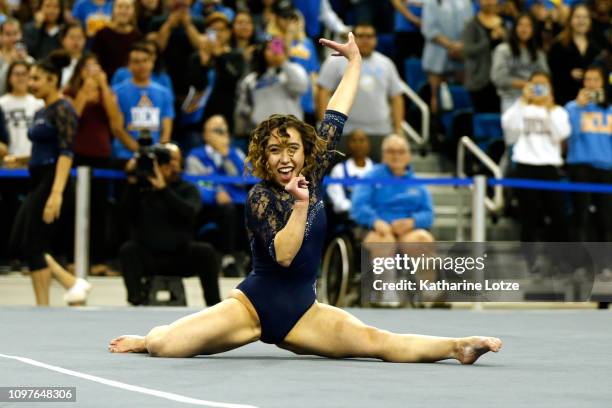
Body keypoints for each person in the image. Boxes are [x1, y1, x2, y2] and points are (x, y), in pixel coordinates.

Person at [109, 33, 502, 365]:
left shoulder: (311, 172)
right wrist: (300, 204)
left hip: (304, 313)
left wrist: (354, 64)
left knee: (377, 340)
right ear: (264, 157)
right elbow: (282, 255)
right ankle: (148, 337)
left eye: (293, 149)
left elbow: (336, 112)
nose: (286, 158)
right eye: (276, 151)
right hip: (251, 308)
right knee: (164, 346)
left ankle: (458, 346)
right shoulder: (260, 197)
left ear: (305, 152)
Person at [8, 51, 91, 306]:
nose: (31, 83)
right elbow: (45, 147)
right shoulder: (42, 110)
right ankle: (59, 291)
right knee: (20, 242)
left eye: (36, 79)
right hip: (38, 179)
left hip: (53, 179)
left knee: (33, 243)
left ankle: (62, 289)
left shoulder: (63, 108)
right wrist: (21, 159)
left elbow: (66, 152)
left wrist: (56, 193)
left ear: (52, 80)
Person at [120, 143, 221, 306]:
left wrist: (163, 189)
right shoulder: (141, 189)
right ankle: (136, 300)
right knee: (128, 250)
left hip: (180, 255)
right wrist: (132, 180)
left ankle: (214, 305)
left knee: (206, 252)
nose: (171, 165)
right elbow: (125, 215)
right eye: (165, 161)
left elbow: (190, 212)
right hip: (149, 256)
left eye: (174, 160)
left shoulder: (187, 188)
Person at [502, 71, 570, 250]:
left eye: (543, 85)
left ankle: (559, 259)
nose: (539, 89)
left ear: (550, 88)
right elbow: (509, 126)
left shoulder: (558, 111)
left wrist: (548, 109)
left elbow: (561, 135)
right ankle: (529, 259)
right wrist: (522, 102)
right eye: (535, 84)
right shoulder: (521, 107)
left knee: (557, 214)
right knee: (528, 216)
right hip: (525, 165)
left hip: (549, 166)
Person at [318, 23, 404, 160]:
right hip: (342, 132)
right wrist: (325, 127)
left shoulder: (386, 64)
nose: (365, 40)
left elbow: (396, 97)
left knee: (378, 179)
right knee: (338, 176)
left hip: (380, 131)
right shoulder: (335, 61)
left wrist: (398, 129)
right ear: (352, 38)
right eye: (361, 36)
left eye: (369, 36)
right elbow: (322, 92)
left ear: (376, 39)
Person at [185, 114, 248, 276]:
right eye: (217, 131)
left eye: (225, 131)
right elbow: (196, 185)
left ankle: (253, 259)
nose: (223, 135)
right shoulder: (195, 156)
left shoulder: (236, 154)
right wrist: (215, 193)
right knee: (227, 210)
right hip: (210, 206)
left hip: (239, 203)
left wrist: (227, 155)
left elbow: (244, 179)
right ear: (205, 135)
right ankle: (228, 259)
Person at [350, 134, 434, 246]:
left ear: (408, 155)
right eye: (391, 151)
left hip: (408, 230)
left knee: (423, 240)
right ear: (383, 155)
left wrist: (412, 222)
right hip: (377, 229)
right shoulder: (370, 177)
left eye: (401, 152)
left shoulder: (418, 183)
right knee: (384, 244)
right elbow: (358, 207)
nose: (396, 156)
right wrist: (375, 222)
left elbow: (428, 213)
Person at [564, 66, 612, 244]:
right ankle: (577, 264)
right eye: (587, 80)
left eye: (596, 80)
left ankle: (605, 265)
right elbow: (570, 135)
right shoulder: (571, 107)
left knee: (606, 218)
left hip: (606, 168)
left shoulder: (610, 109)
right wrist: (578, 108)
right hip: (581, 166)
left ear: (603, 83)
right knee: (580, 215)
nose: (591, 84)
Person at [112, 42, 174, 164]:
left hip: (156, 157)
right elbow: (117, 128)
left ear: (152, 63)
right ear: (129, 65)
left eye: (145, 61)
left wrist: (157, 152)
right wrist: (140, 151)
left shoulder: (164, 93)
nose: (141, 65)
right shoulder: (117, 92)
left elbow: (166, 128)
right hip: (124, 156)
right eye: (136, 61)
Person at [234, 37, 308, 136]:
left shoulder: (295, 70)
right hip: (263, 134)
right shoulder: (251, 80)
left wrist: (283, 63)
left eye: (277, 48)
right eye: (269, 48)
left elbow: (300, 88)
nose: (274, 51)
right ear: (262, 52)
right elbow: (242, 108)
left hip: (291, 131)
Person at [267, 3, 320, 126]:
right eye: (284, 17)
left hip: (307, 101)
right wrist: (288, 37)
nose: (289, 21)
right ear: (276, 19)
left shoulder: (307, 43)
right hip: (286, 98)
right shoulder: (273, 41)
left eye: (292, 17)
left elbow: (313, 73)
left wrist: (316, 101)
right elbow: (279, 63)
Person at [421, 0, 473, 114]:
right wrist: (450, 45)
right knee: (435, 95)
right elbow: (429, 29)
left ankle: (456, 126)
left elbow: (470, 25)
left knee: (461, 94)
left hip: (461, 53)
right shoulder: (431, 2)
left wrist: (461, 45)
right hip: (437, 53)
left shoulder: (466, 2)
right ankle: (435, 127)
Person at [491, 13, 549, 114]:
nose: (524, 29)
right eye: (520, 25)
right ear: (514, 28)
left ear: (533, 30)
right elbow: (499, 78)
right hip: (511, 99)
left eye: (528, 26)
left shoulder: (539, 53)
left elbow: (545, 77)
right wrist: (527, 84)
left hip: (536, 99)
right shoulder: (503, 50)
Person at [547, 4, 604, 107]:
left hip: (592, 102)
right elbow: (552, 72)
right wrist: (568, 73)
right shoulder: (558, 45)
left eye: (585, 17)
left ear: (590, 21)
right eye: (577, 17)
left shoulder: (597, 46)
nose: (581, 21)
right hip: (565, 99)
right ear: (570, 20)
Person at [462, 0, 506, 113]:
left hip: (501, 81)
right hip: (479, 81)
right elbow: (467, 50)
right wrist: (489, 40)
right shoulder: (471, 24)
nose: (490, 2)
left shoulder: (504, 23)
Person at [0, 61, 44, 167]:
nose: (20, 78)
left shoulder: (39, 103)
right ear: (9, 77)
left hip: (34, 161)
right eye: (17, 74)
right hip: (7, 162)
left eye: (24, 74)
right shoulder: (1, 103)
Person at [326, 128, 374, 217]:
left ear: (368, 145)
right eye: (354, 140)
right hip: (348, 221)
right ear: (348, 145)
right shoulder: (338, 170)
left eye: (362, 140)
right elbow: (338, 203)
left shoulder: (378, 171)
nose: (358, 144)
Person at [91, 0, 143, 79]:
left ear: (133, 11)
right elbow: (94, 61)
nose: (123, 11)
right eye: (120, 7)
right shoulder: (101, 34)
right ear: (113, 10)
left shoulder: (138, 36)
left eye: (127, 7)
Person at [0, 19, 35, 95]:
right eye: (8, 34)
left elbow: (33, 86)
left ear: (21, 34)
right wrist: (8, 64)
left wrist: (26, 61)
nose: (13, 38)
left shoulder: (29, 60)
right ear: (1, 36)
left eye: (15, 33)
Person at [58, 22, 87, 88]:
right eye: (72, 37)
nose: (76, 41)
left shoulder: (89, 62)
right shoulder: (55, 60)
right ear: (63, 40)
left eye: (79, 37)